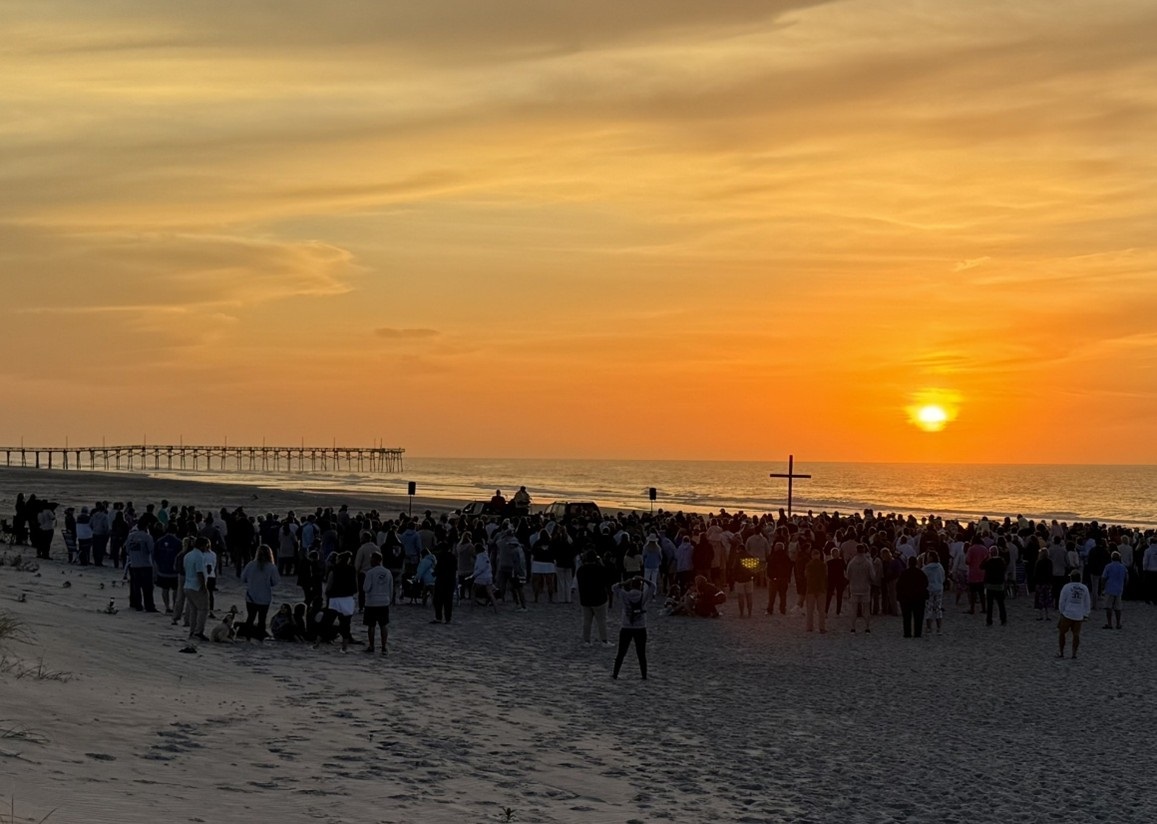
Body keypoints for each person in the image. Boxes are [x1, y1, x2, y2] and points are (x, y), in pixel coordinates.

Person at [610, 576, 656, 680]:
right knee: (641, 653)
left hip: (626, 627)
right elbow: (653, 586)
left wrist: (624, 582)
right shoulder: (643, 595)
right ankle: (644, 675)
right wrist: (644, 579)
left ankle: (615, 673)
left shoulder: (624, 595)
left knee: (621, 652)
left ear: (630, 586)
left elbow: (614, 587)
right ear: (640, 586)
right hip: (640, 627)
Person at [239, 545, 281, 641]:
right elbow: (275, 582)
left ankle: (248, 637)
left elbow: (243, 578)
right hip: (265, 598)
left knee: (250, 618)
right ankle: (260, 638)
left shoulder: (250, 565)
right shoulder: (272, 567)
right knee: (262, 619)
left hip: (251, 596)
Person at [576, 550, 610, 644]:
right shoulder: (600, 569)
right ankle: (604, 639)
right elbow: (607, 580)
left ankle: (586, 640)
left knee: (587, 621)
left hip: (585, 599)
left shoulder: (581, 570)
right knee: (601, 621)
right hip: (599, 598)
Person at [362, 552, 394, 653]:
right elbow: (391, 588)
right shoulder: (387, 572)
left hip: (372, 602)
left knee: (371, 625)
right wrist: (389, 599)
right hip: (384, 601)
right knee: (383, 625)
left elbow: (366, 588)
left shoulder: (370, 573)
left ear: (374, 560)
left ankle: (371, 646)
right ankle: (384, 646)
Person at [1057, 570, 1091, 659]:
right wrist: (1086, 614)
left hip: (1067, 613)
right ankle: (1074, 653)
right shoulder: (1084, 588)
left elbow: (1062, 601)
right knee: (1076, 634)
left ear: (1071, 578)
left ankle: (1061, 652)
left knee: (1062, 633)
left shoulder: (1066, 587)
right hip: (1079, 615)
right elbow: (1087, 602)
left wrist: (1061, 611)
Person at [124, 525, 157, 613]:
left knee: (136, 586)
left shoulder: (130, 536)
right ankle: (149, 606)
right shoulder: (147, 537)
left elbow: (127, 550)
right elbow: (151, 550)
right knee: (148, 588)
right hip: (146, 564)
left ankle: (137, 604)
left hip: (134, 564)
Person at [183, 537, 211, 642]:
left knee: (193, 610)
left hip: (187, 585)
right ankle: (198, 632)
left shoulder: (188, 555)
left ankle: (192, 631)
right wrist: (204, 586)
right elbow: (199, 572)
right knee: (203, 609)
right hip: (196, 586)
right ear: (202, 545)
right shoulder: (199, 556)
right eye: (206, 546)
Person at [845, 545, 875, 633]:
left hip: (854, 588)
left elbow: (847, 576)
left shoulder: (852, 562)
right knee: (866, 609)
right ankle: (867, 627)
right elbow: (873, 576)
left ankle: (853, 627)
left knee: (854, 609)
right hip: (865, 588)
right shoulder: (868, 562)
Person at [896, 557, 929, 638]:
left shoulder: (904, 573)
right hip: (919, 598)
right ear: (916, 563)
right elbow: (926, 584)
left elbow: (898, 585)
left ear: (908, 563)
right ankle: (918, 633)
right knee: (919, 616)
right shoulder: (920, 573)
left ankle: (907, 633)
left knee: (906, 617)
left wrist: (899, 596)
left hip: (906, 598)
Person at [1100, 551, 1128, 630]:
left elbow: (1103, 578)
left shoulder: (1108, 566)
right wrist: (1124, 585)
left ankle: (1110, 623)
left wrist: (1102, 587)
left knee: (1108, 607)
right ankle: (1118, 624)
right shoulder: (1123, 567)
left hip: (1109, 588)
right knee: (1118, 608)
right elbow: (1127, 578)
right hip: (1119, 589)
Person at [728, 543, 757, 618]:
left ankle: (741, 613)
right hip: (749, 579)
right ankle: (750, 613)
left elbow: (734, 568)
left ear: (739, 549)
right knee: (749, 596)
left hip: (740, 579)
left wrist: (734, 577)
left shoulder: (738, 557)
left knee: (741, 597)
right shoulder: (750, 556)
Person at [981, 547, 1008, 626]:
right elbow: (1004, 569)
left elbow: (981, 566)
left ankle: (989, 620)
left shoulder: (989, 561)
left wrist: (986, 558)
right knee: (1001, 604)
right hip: (999, 585)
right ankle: (1003, 619)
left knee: (990, 604)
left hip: (990, 585)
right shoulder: (1001, 561)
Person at [431, 543, 457, 624]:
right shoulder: (453, 557)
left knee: (438, 600)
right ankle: (448, 618)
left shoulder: (441, 557)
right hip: (450, 581)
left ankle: (438, 617)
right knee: (448, 601)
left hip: (441, 581)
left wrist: (434, 573)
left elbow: (438, 569)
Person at [803, 548, 828, 633]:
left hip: (811, 589)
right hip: (821, 589)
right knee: (821, 610)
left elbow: (806, 575)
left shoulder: (809, 565)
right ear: (819, 555)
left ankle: (809, 627)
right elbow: (826, 575)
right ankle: (822, 627)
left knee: (810, 610)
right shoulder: (823, 565)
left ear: (812, 556)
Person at [922, 549, 946, 634]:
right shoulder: (940, 567)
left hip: (929, 589)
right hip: (939, 588)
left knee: (929, 608)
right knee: (938, 608)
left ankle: (929, 627)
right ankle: (939, 628)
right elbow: (943, 577)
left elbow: (923, 578)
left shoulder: (926, 568)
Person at [1033, 550, 1054, 620]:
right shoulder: (1050, 562)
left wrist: (1036, 583)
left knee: (1040, 600)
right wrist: (1051, 582)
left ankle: (1040, 615)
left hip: (1040, 583)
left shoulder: (1038, 562)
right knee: (1047, 599)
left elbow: (1036, 574)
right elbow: (1050, 573)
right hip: (1047, 583)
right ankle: (1047, 615)